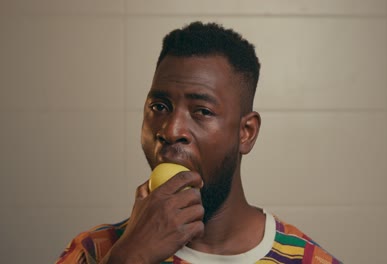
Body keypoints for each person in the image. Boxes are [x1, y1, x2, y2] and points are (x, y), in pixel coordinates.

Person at [56, 21, 342, 264]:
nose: (171, 130)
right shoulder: (94, 252)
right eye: (159, 107)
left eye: (202, 111)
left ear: (246, 132)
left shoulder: (308, 260)